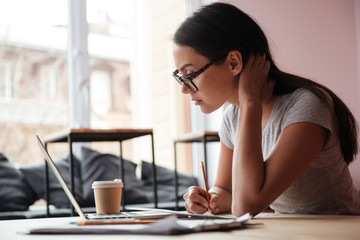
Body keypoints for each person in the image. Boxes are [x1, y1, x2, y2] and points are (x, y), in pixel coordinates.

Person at [172, 2, 360, 216]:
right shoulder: (232, 116)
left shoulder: (306, 106)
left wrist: (250, 102)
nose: (185, 89)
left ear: (234, 62)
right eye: (180, 77)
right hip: (284, 230)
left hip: (341, 232)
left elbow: (245, 206)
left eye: (190, 74)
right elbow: (226, 191)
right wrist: (210, 198)